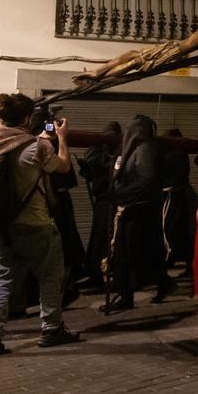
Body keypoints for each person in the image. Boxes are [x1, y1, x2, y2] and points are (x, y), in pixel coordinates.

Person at [0, 93, 81, 358]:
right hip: (34, 223)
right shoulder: (37, 147)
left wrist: (42, 140)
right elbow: (63, 166)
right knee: (50, 276)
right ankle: (51, 329)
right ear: (26, 118)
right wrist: (62, 138)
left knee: (2, 278)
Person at [105, 115, 176, 310]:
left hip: (140, 210)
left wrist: (120, 193)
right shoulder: (138, 149)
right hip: (134, 208)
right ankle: (134, 292)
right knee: (137, 253)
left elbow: (146, 180)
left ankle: (134, 292)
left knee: (133, 253)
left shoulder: (146, 149)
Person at [78, 121, 121, 287]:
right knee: (100, 239)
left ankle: (104, 272)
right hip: (103, 199)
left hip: (111, 200)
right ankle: (97, 272)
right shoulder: (100, 150)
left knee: (106, 239)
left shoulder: (119, 152)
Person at [159, 128, 196, 277]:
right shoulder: (180, 153)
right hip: (180, 196)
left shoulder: (174, 155)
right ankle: (187, 262)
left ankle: (168, 259)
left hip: (172, 195)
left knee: (169, 230)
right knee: (182, 231)